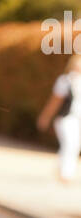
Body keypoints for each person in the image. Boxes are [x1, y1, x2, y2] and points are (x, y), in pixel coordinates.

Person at [38, 53, 81, 182]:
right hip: (65, 118)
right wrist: (45, 117)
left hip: (77, 119)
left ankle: (63, 170)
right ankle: (65, 174)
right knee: (69, 144)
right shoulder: (65, 81)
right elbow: (55, 101)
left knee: (75, 145)